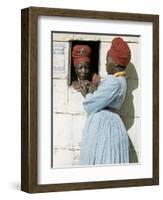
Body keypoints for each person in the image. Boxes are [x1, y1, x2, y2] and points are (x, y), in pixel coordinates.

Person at [79, 37, 131, 165]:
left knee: (101, 157)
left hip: (104, 126)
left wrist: (89, 93)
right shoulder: (122, 81)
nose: (106, 64)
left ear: (116, 63)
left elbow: (91, 105)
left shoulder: (113, 82)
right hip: (111, 123)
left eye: (107, 60)